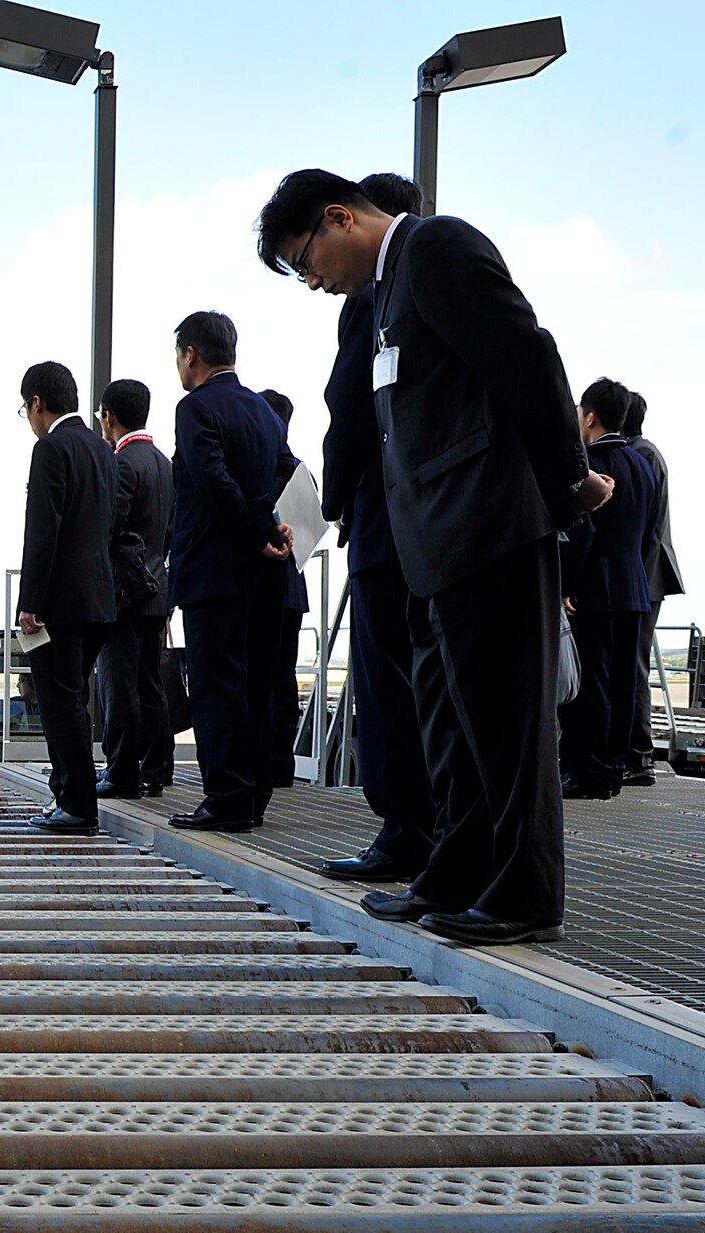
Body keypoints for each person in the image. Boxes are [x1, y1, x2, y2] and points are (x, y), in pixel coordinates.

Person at [257, 168, 612, 946]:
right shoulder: (383, 294)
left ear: (339, 218)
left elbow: (529, 361)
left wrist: (566, 481)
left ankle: (524, 893)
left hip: (490, 528)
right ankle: (456, 872)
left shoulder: (438, 249)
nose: (312, 282)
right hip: (430, 544)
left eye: (306, 262)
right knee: (452, 728)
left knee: (507, 727)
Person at [314, 171, 437, 884]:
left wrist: (333, 500)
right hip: (425, 518)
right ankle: (427, 829)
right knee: (425, 679)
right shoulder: (430, 278)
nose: (319, 279)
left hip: (384, 518)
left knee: (386, 681)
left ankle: (403, 830)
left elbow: (349, 403)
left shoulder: (374, 296)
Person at [165, 311, 296, 833]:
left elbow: (212, 481)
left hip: (215, 570)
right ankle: (254, 797)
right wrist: (274, 528)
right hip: (266, 576)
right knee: (258, 684)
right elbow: (290, 470)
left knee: (216, 687)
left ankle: (224, 799)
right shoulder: (264, 411)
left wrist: (256, 531)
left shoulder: (194, 408)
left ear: (191, 354)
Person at [13, 360, 117, 834]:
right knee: (75, 700)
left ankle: (76, 804)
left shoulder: (51, 449)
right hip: (99, 598)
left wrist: (29, 600)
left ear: (37, 403)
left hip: (60, 603)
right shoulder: (103, 447)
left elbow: (43, 530)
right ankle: (71, 797)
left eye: (25, 410)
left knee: (60, 705)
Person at [560, 378, 655, 801]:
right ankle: (615, 769)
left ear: (591, 416)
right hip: (634, 587)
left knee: (591, 685)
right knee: (622, 684)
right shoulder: (643, 464)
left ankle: (589, 773)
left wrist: (564, 585)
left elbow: (583, 530)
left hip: (594, 589)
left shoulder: (592, 463)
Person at [92, 378, 171, 799]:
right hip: (158, 588)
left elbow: (110, 527)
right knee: (150, 683)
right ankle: (154, 770)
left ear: (110, 417)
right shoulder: (162, 462)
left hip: (124, 592)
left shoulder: (121, 463)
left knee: (117, 684)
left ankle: (121, 772)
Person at [622, 391, 682, 785]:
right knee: (632, 664)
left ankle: (639, 757)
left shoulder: (638, 456)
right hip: (647, 573)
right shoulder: (647, 451)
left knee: (632, 665)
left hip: (643, 575)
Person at [259, 388, 311, 788]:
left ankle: (263, 759)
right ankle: (281, 761)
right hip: (295, 586)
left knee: (260, 675)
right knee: (284, 676)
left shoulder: (261, 467)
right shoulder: (302, 471)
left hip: (265, 583)